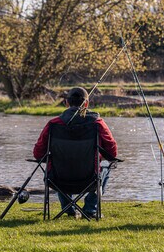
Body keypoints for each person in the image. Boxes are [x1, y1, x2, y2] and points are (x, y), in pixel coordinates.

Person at [33, 87, 118, 218]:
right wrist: (99, 156)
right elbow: (112, 152)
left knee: (58, 165)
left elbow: (38, 153)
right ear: (86, 104)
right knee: (106, 169)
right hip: (90, 179)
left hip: (57, 179)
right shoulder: (97, 123)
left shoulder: (53, 124)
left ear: (67, 103)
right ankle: (90, 209)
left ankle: (69, 208)